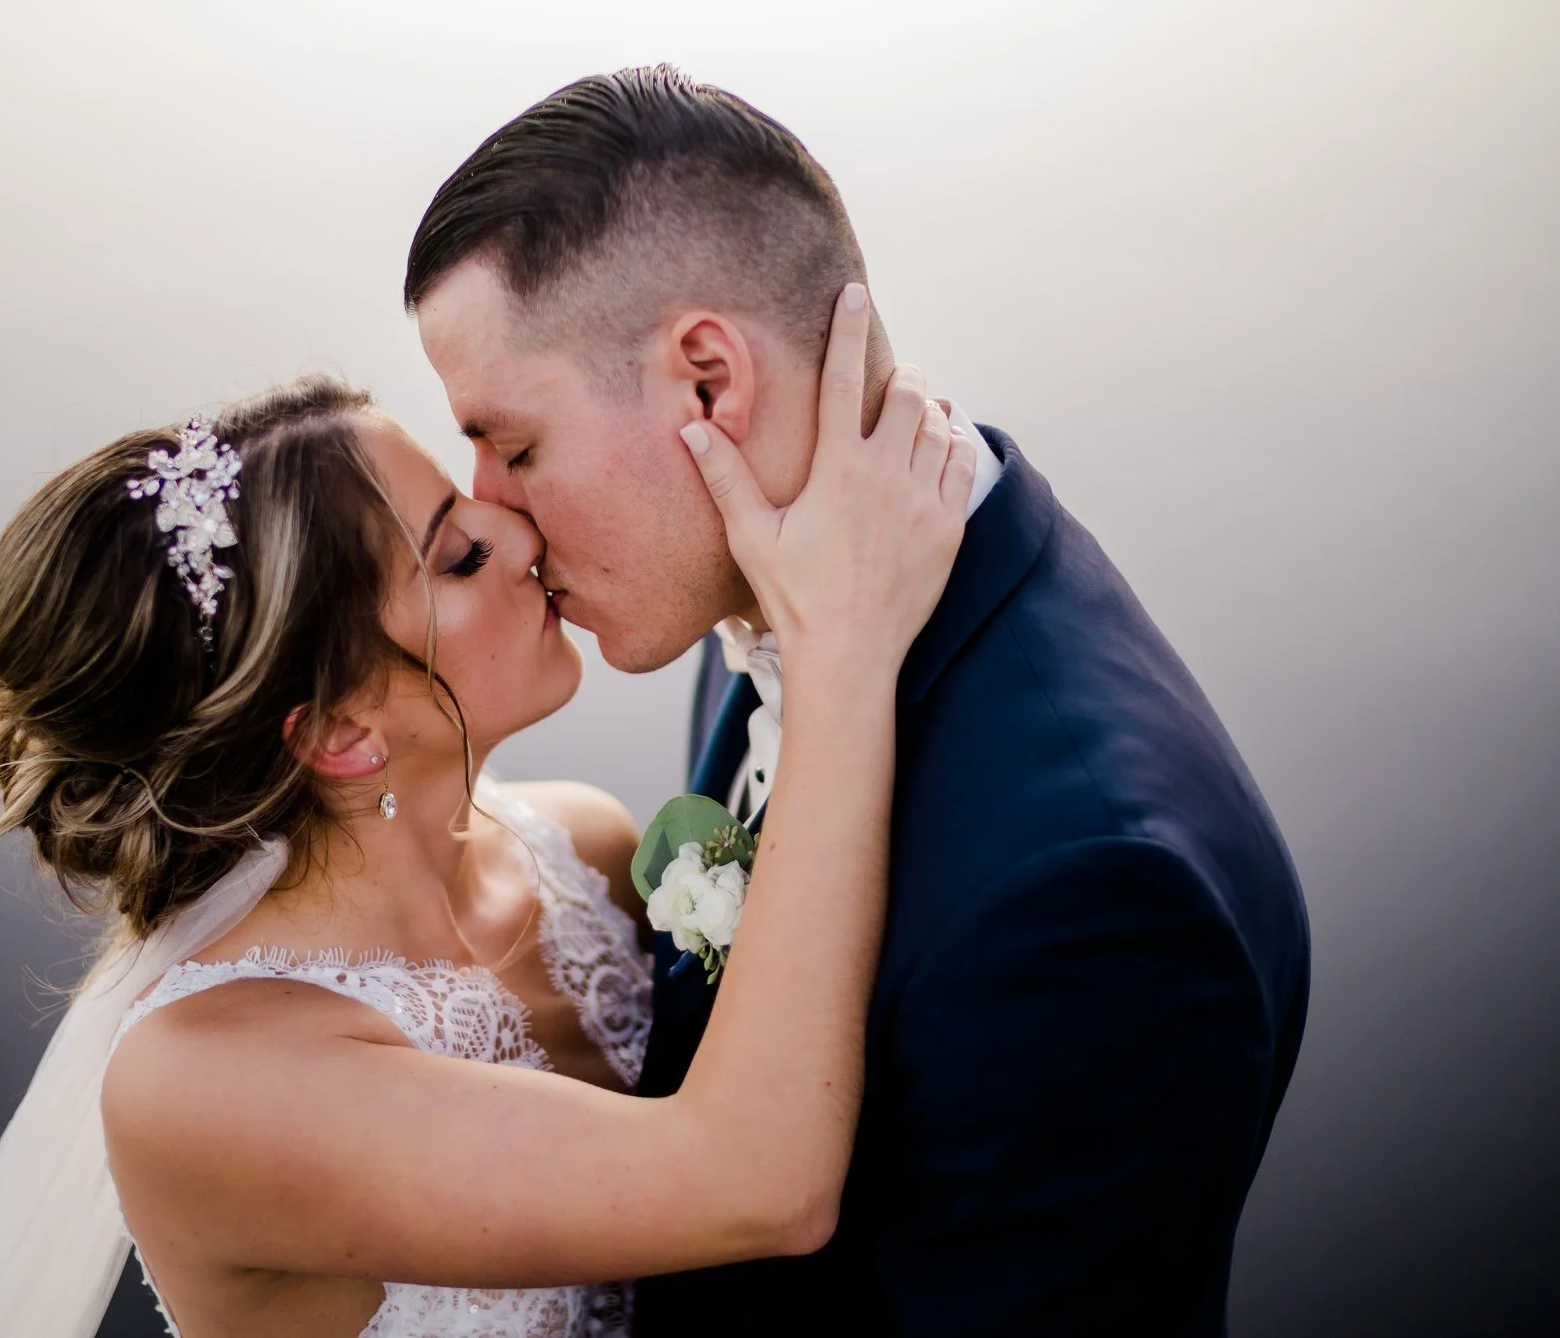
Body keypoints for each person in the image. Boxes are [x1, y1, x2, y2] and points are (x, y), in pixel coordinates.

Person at [405, 65, 1312, 1336]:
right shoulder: (777, 599)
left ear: (707, 383)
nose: (487, 503)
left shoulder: (1092, 895)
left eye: (514, 442)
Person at [0, 291, 979, 1337]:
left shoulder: (585, 851)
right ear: (339, 734)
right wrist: (839, 641)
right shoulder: (204, 1085)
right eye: (458, 555)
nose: (517, 531)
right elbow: (756, 1183)